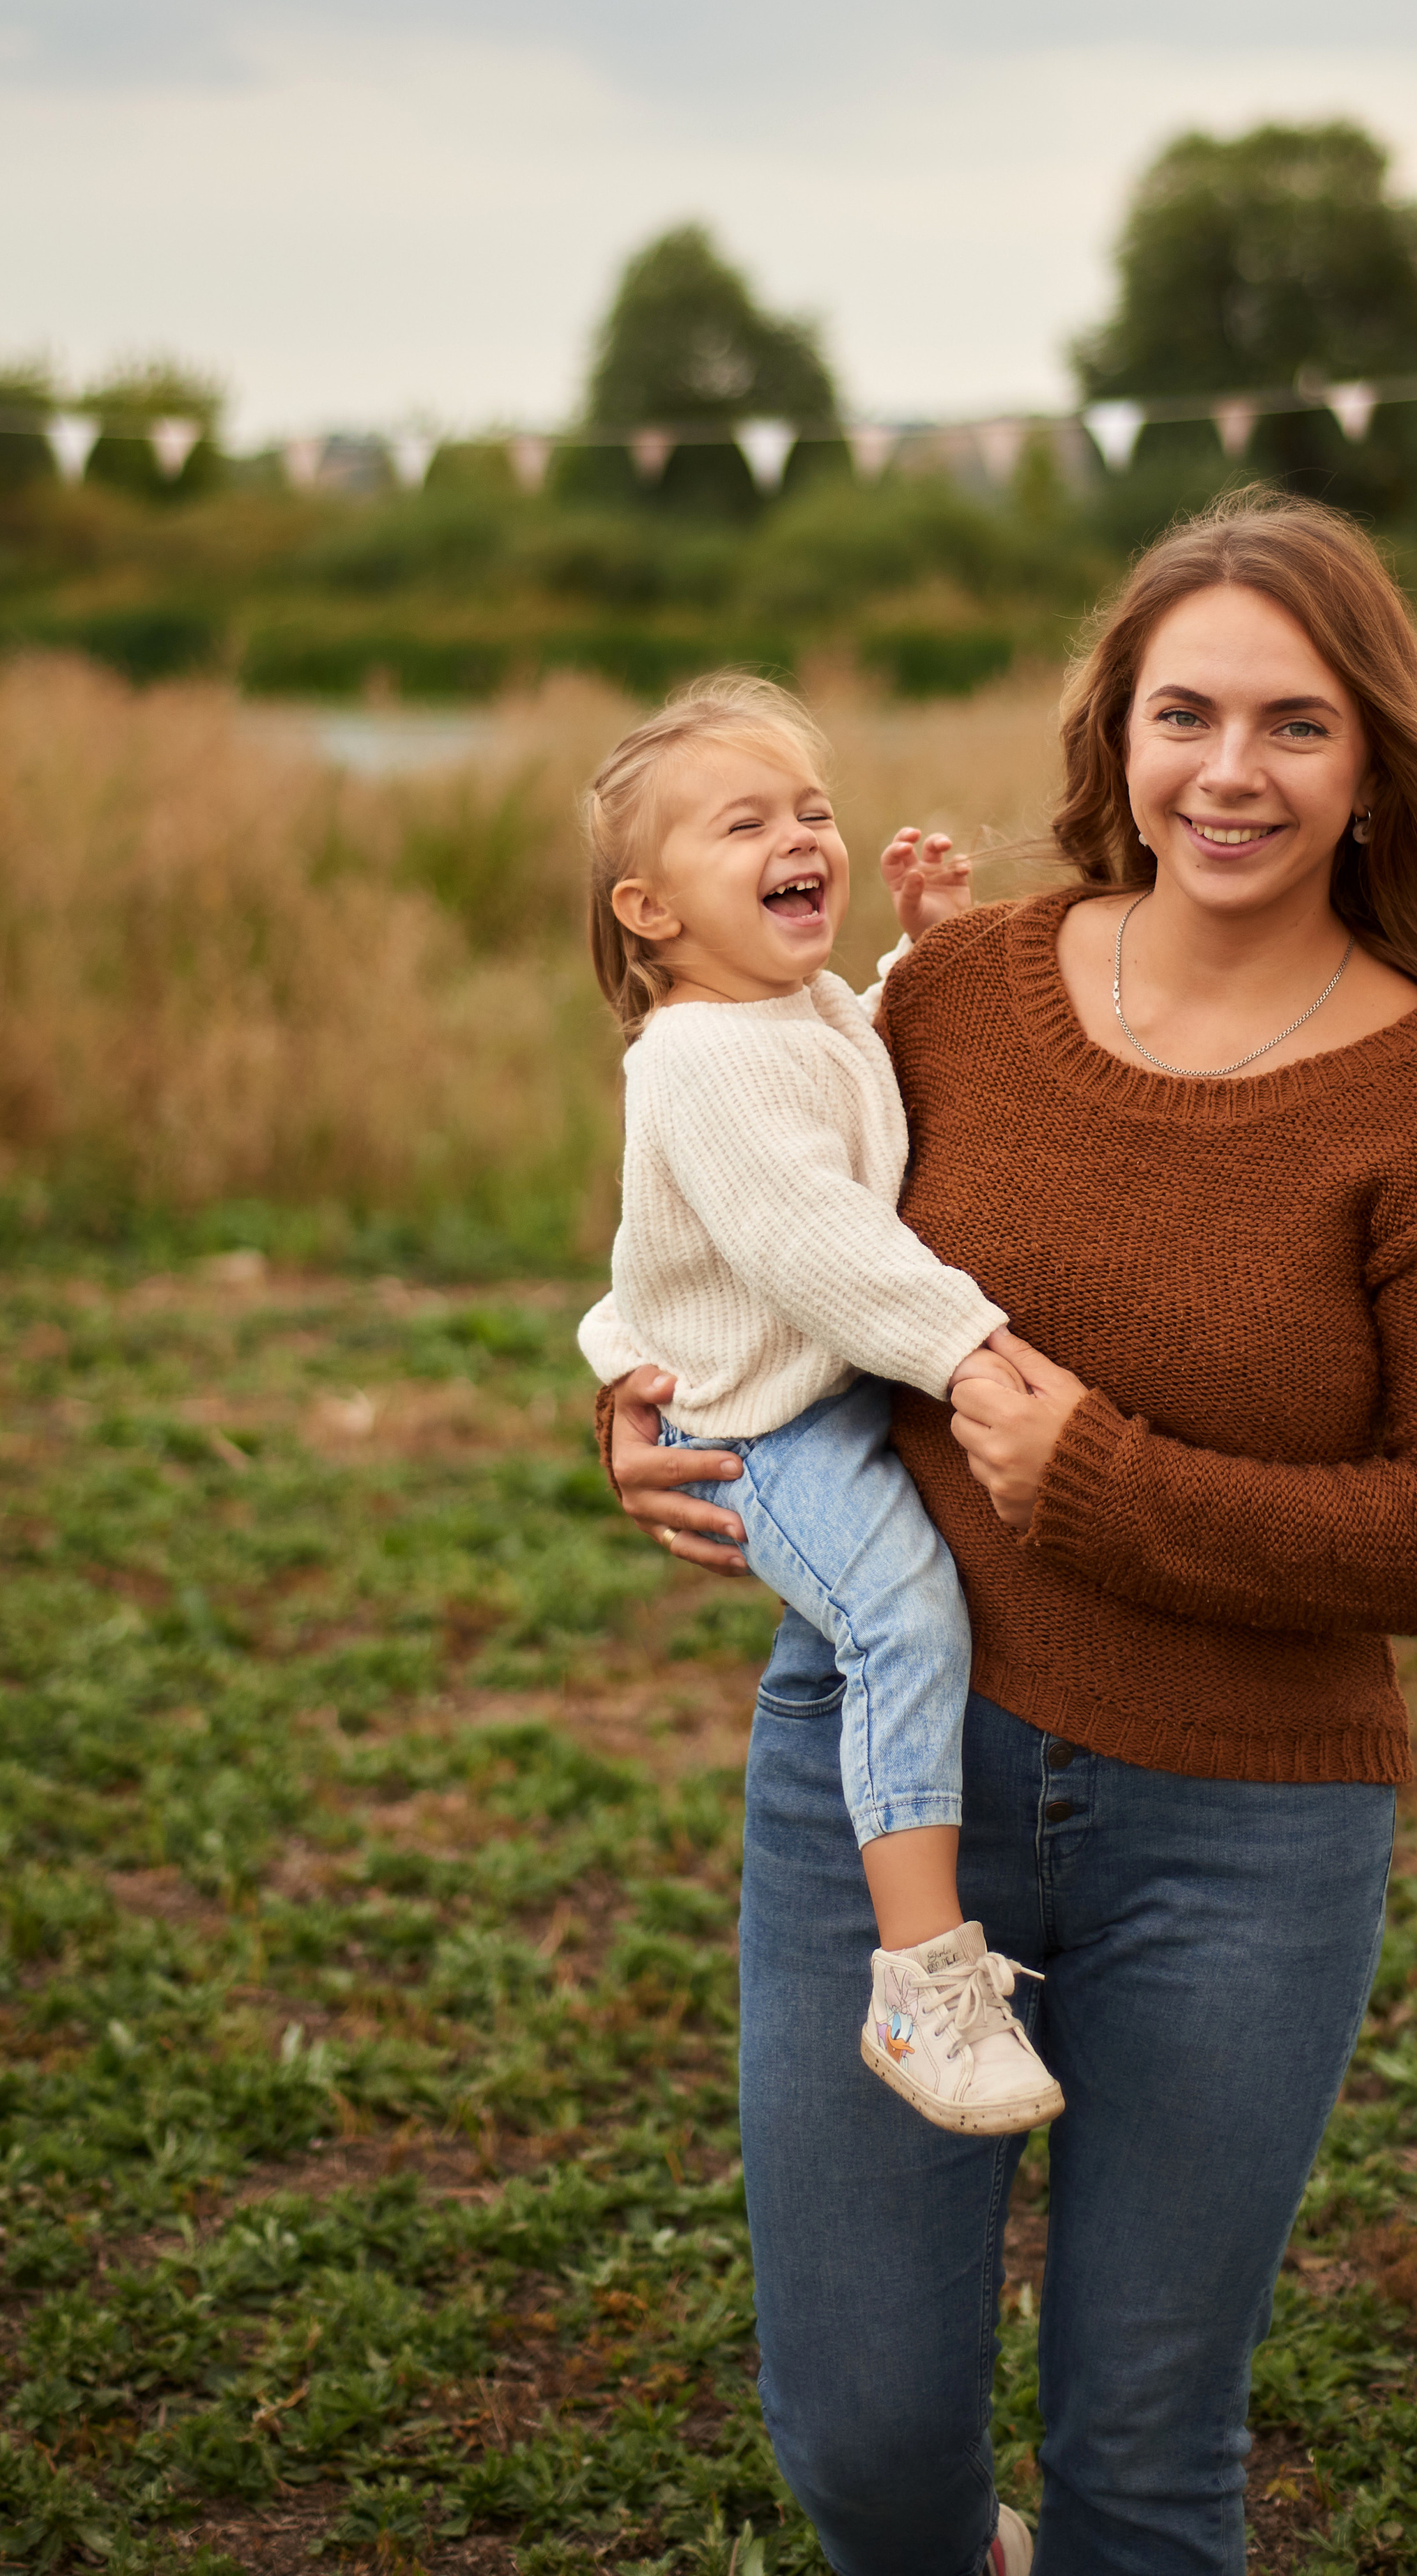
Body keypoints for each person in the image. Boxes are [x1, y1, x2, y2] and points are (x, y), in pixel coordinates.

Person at [595, 494, 1417, 2576]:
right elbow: (762, 1210)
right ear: (1119, 733)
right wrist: (636, 1400)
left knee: (1145, 2459)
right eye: (1185, 715)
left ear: (1370, 762)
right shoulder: (963, 989)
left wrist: (1109, 1485)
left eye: (1294, 724)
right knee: (865, 2441)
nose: (1230, 771)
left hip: (1244, 1838)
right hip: (886, 1788)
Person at [575, 673, 1064, 2142]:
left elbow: (865, 1061)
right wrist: (971, 1350)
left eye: (813, 811)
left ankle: (932, 1962)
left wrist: (925, 949)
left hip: (822, 1394)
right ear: (650, 911)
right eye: (746, 826)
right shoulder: (697, 1058)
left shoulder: (797, 1006)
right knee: (900, 1614)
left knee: (909, 1605)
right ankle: (922, 1978)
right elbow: (816, 1241)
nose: (800, 838)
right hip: (758, 1428)